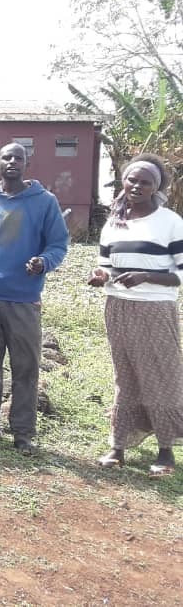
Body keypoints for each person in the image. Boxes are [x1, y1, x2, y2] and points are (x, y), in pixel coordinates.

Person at [0, 142, 69, 455]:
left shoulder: (44, 202)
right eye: (6, 156)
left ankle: (23, 433)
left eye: (18, 157)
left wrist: (43, 262)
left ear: (26, 163)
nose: (12, 162)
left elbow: (59, 245)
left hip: (23, 299)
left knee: (26, 368)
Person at [88, 155, 182, 477]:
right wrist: (100, 275)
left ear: (157, 187)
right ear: (123, 181)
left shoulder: (170, 222)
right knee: (124, 375)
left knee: (159, 376)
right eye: (132, 179)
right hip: (117, 306)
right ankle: (118, 446)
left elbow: (179, 274)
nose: (137, 186)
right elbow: (106, 265)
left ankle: (166, 451)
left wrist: (147, 276)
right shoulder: (113, 222)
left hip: (156, 308)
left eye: (145, 181)